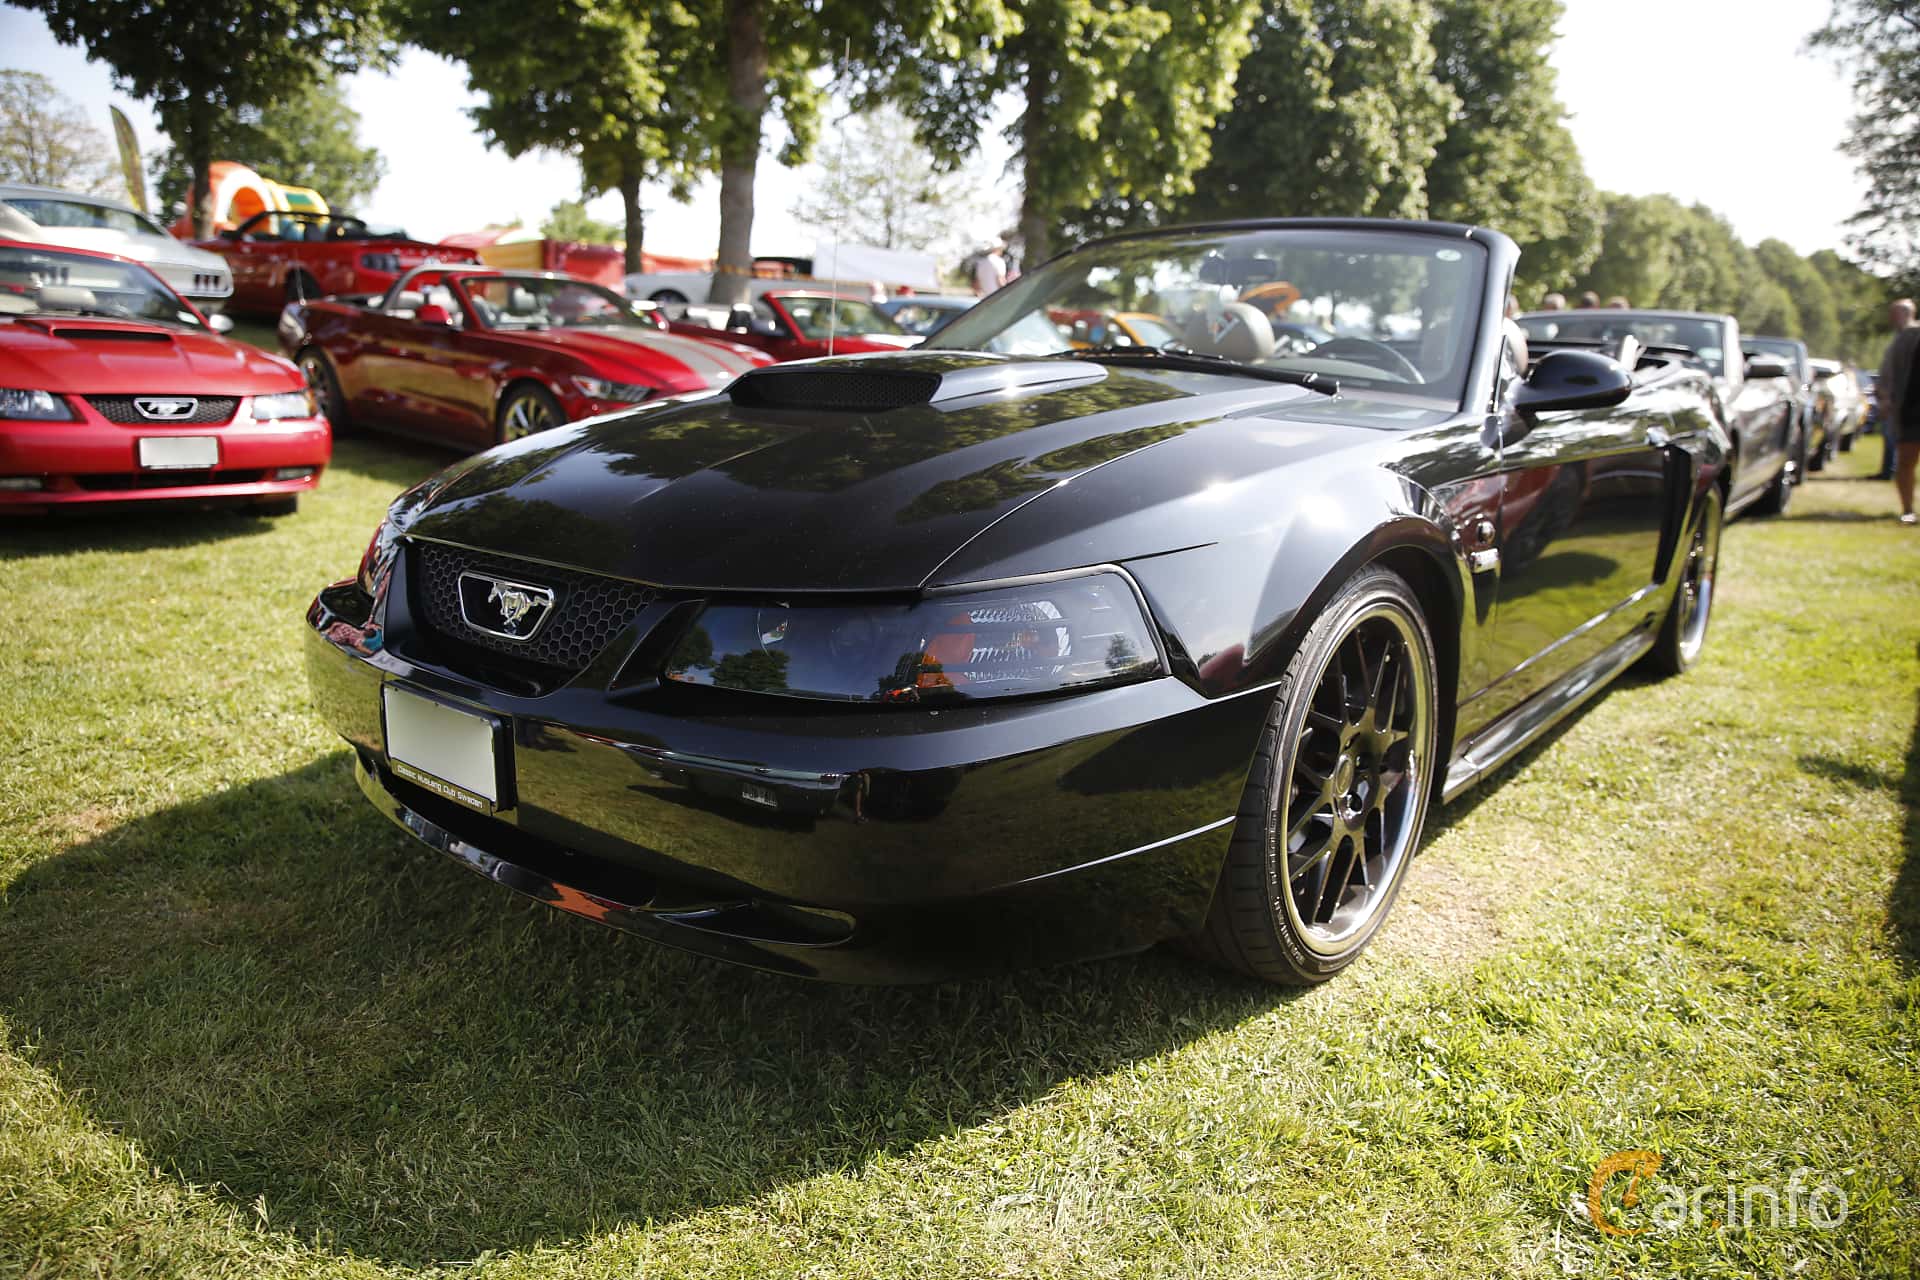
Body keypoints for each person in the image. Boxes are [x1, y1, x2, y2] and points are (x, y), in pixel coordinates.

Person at [1874, 297, 1920, 521]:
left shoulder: (1908, 337)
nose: (1891, 318)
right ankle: (1908, 510)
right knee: (1905, 461)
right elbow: (1888, 374)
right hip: (1909, 411)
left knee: (1905, 462)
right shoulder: (1901, 340)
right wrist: (1885, 398)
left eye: (1895, 313)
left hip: (1909, 409)